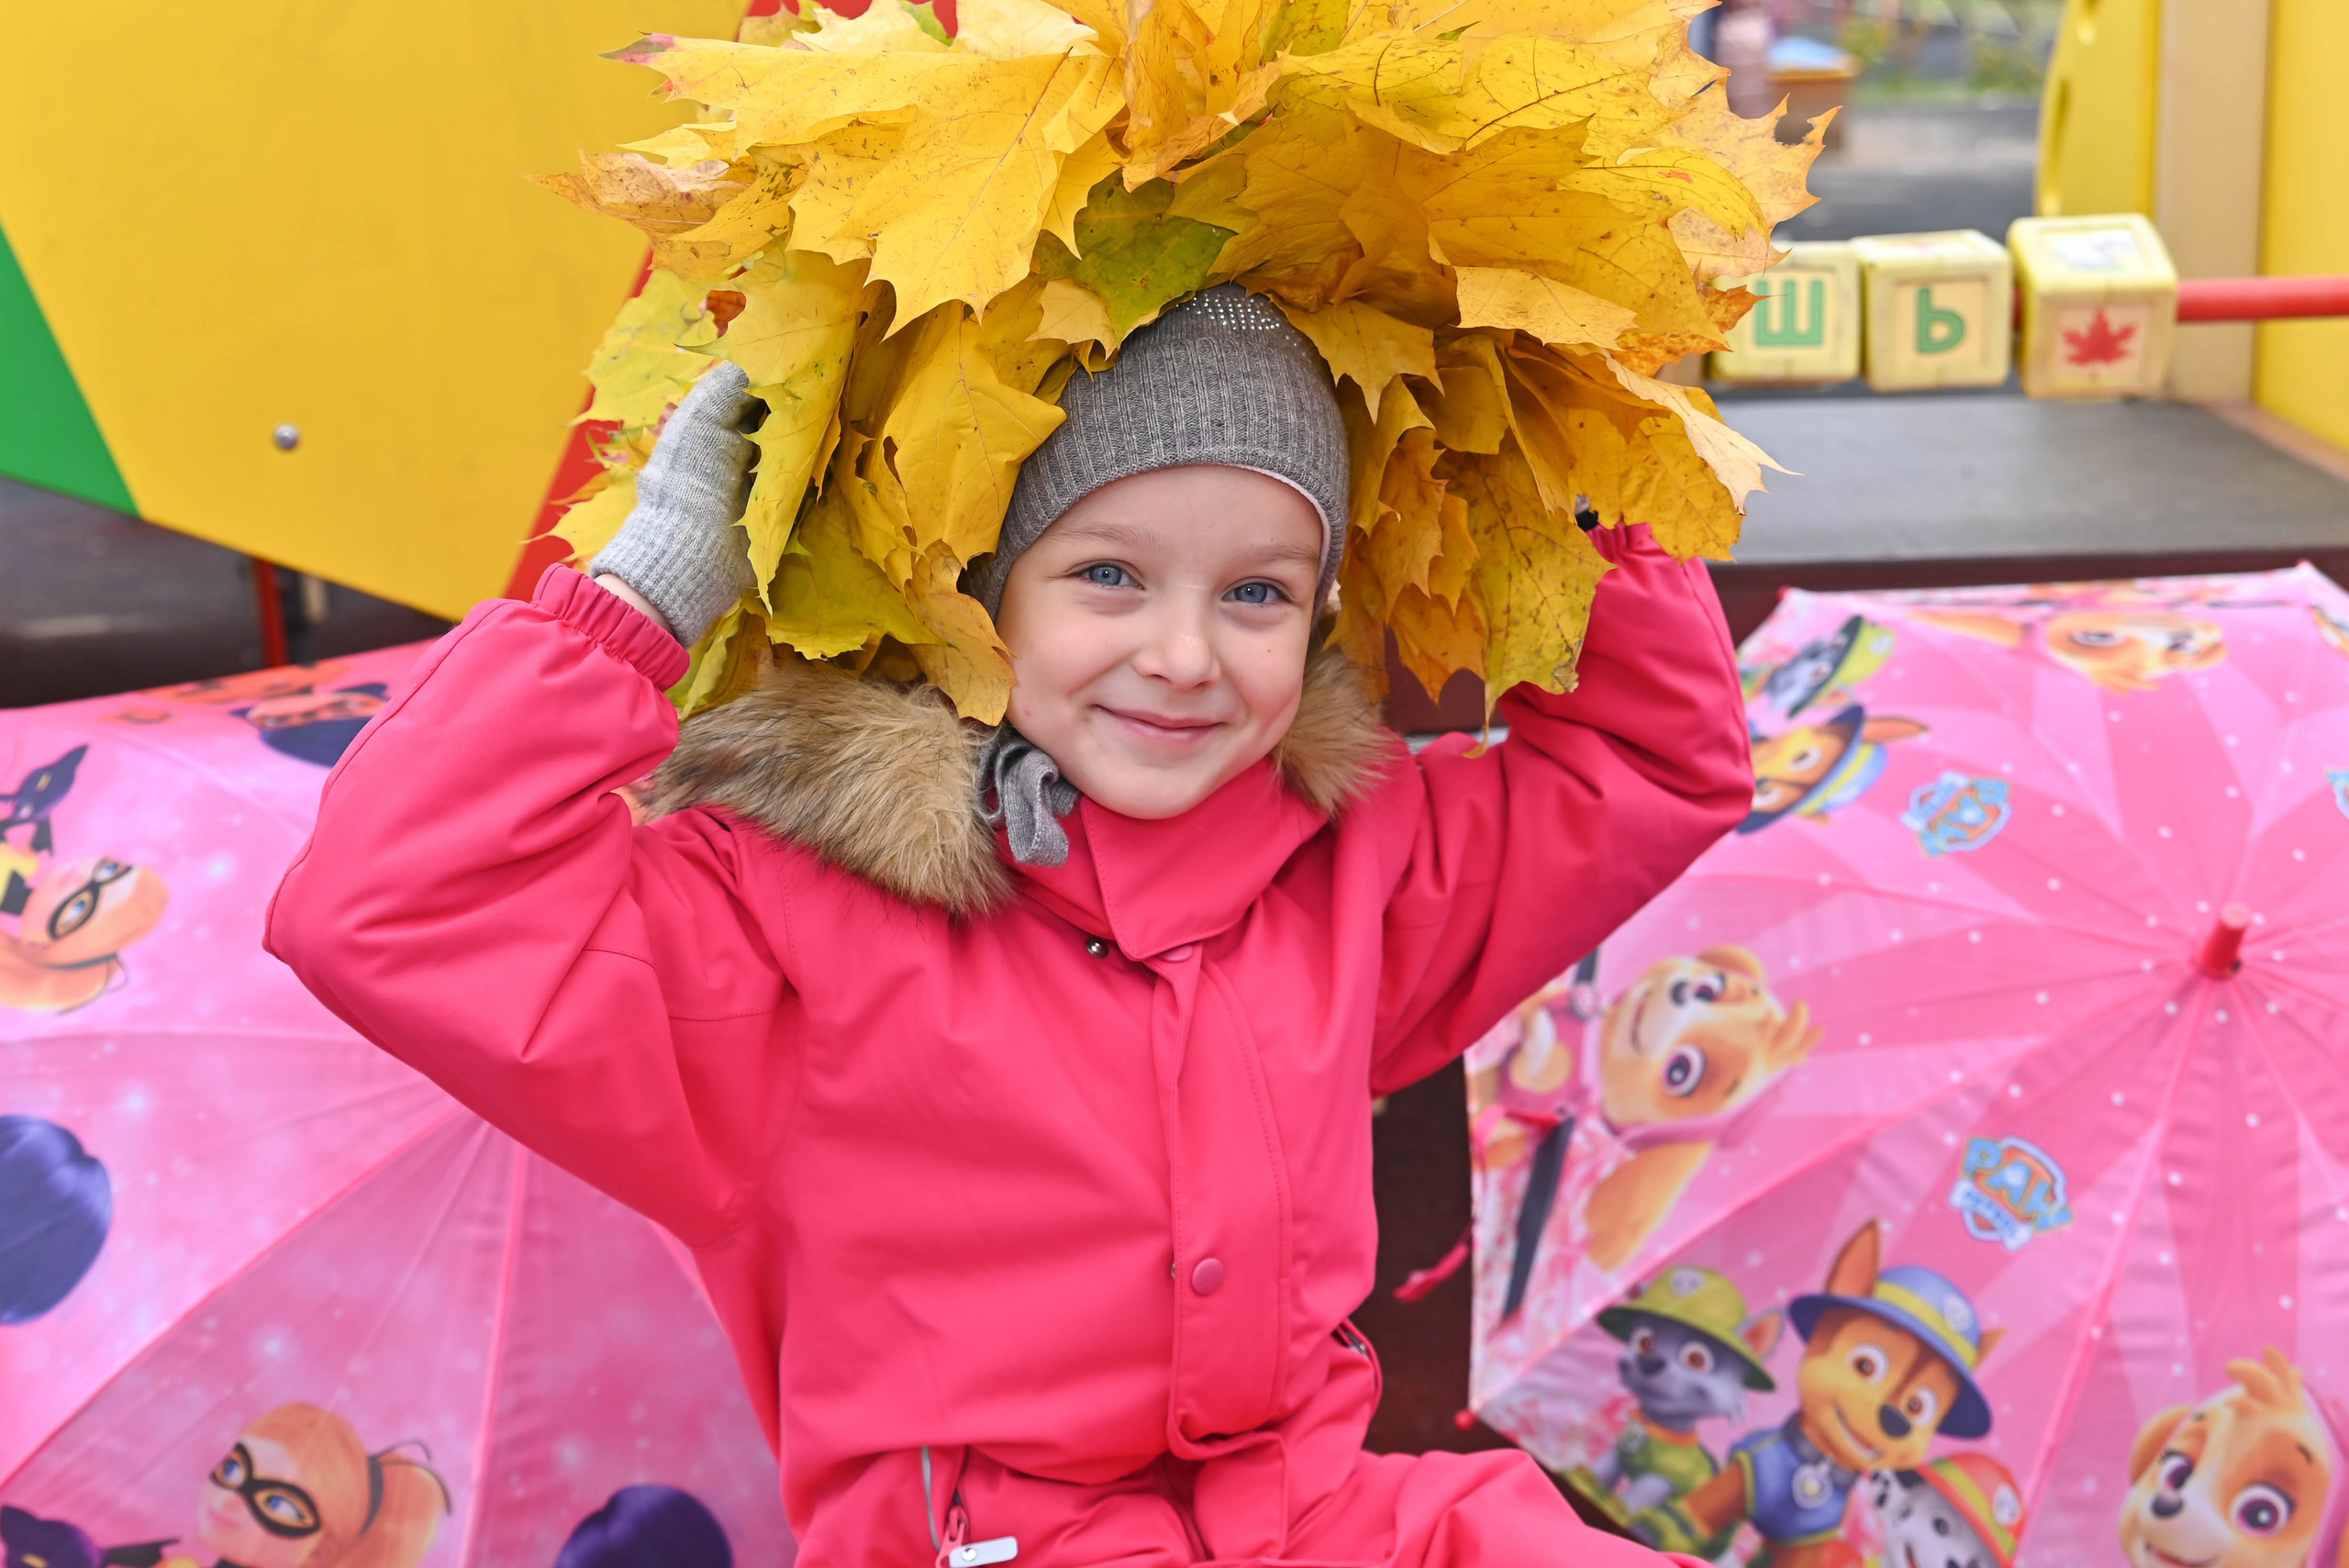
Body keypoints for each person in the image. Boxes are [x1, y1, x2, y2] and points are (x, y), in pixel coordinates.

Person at [269, 287, 1752, 1566]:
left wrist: (1564, 493)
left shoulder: (1345, 858)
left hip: (1325, 1515)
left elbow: (1647, 768)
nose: (1182, 654)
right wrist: (637, 604)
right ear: (980, 592)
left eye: (1257, 593)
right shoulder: (779, 919)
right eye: (1108, 575)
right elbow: (385, 905)